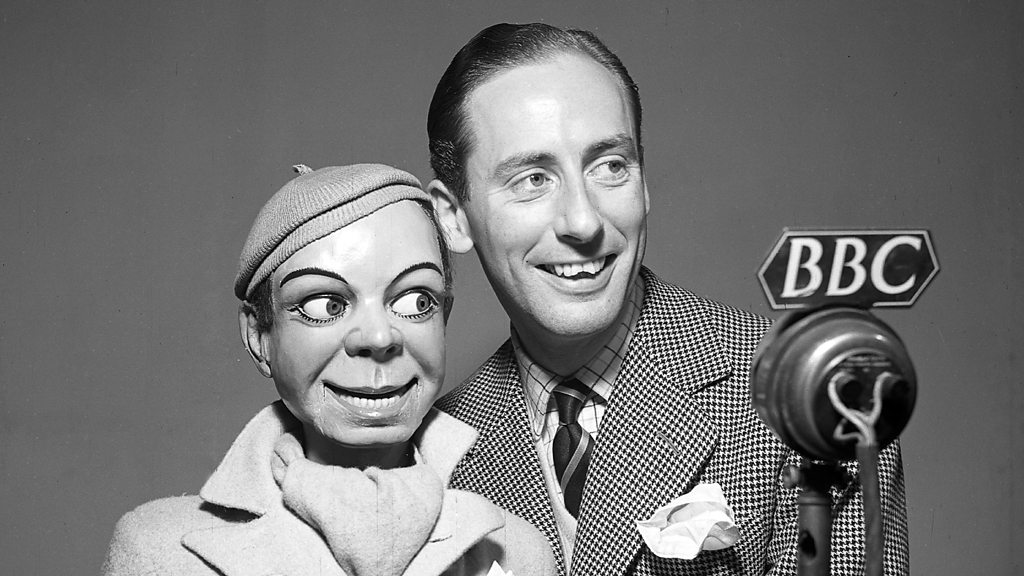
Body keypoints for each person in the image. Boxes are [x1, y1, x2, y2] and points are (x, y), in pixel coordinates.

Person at [427, 23, 909, 576]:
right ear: (454, 216)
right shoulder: (430, 454)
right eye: (533, 179)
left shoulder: (815, 393)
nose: (583, 221)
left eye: (610, 166)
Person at [102, 163, 557, 576]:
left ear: (444, 318)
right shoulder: (160, 554)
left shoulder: (517, 553)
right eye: (326, 305)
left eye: (417, 301)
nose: (378, 336)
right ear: (259, 336)